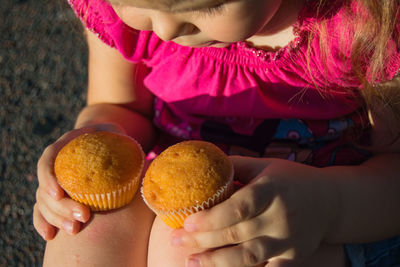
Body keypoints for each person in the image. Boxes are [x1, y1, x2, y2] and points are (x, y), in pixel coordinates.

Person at [33, 0, 400, 265]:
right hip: (166, 191)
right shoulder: (128, 18)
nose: (165, 29)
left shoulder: (365, 25)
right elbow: (120, 107)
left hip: (331, 212)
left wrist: (328, 208)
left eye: (211, 5)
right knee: (86, 231)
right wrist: (96, 137)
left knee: (190, 251)